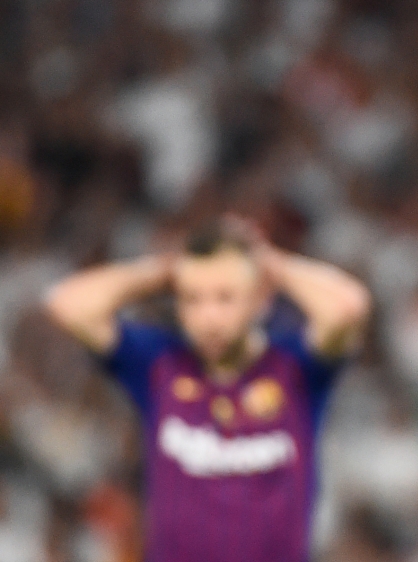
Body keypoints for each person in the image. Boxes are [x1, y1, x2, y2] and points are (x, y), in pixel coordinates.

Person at [44, 217, 371, 562]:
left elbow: (348, 308)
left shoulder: (295, 368)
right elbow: (68, 304)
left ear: (261, 298)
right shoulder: (158, 364)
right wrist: (163, 269)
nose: (208, 317)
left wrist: (271, 262)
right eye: (192, 299)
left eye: (225, 298)